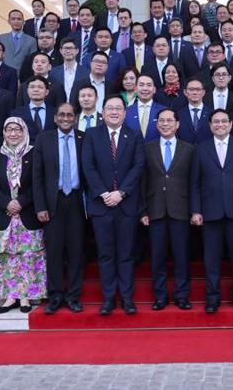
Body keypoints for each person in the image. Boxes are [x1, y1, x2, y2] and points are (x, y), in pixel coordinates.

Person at [81, 95, 145, 315]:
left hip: (126, 205)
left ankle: (127, 298)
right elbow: (88, 167)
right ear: (103, 112)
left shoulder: (134, 135)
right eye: (110, 108)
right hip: (101, 205)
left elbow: (138, 166)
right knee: (106, 254)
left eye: (119, 108)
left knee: (126, 254)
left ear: (125, 113)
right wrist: (104, 193)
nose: (115, 112)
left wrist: (121, 193)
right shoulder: (91, 135)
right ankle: (108, 298)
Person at [191, 109, 233, 314]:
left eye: (224, 121)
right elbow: (194, 183)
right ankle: (212, 298)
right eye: (215, 122)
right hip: (209, 213)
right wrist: (196, 210)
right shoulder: (200, 149)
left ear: (231, 124)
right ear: (210, 126)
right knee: (211, 259)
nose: (220, 125)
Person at [0, 117, 46, 314]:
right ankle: (10, 297)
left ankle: (26, 296)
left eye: (17, 130)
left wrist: (20, 202)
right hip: (4, 215)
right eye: (9, 129)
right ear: (4, 132)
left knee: (28, 257)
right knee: (6, 256)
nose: (13, 133)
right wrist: (7, 202)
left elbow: (38, 182)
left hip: (27, 213)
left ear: (24, 131)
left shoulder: (34, 152)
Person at [33, 103, 86, 314]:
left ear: (75, 118)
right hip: (52, 203)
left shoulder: (84, 138)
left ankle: (73, 296)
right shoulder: (43, 139)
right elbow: (37, 177)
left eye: (70, 115)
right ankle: (55, 295)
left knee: (76, 251)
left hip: (76, 200)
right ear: (55, 118)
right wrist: (40, 206)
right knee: (54, 251)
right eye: (61, 114)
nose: (65, 118)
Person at [140, 108, 195, 310]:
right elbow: (142, 182)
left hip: (181, 210)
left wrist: (194, 210)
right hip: (155, 210)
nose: (165, 124)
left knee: (182, 256)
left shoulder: (189, 149)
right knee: (158, 256)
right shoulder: (147, 148)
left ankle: (182, 295)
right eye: (161, 121)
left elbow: (193, 182)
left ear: (177, 124)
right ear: (156, 124)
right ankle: (160, 296)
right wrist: (143, 211)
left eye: (169, 120)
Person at [125, 74, 166, 143]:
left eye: (149, 85)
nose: (145, 88)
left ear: (154, 90)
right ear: (135, 89)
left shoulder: (164, 111)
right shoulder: (127, 112)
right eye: (141, 85)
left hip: (156, 152)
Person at [177, 78, 213, 145]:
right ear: (185, 92)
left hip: (206, 152)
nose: (195, 92)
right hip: (185, 153)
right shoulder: (178, 115)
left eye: (198, 89)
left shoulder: (212, 114)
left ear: (203, 92)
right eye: (191, 89)